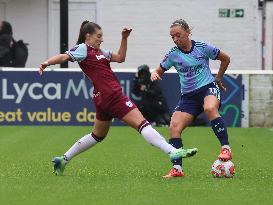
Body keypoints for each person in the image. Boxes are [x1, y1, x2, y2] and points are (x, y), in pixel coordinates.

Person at [38, 20, 198, 176]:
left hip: (102, 99)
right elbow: (64, 57)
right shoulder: (83, 49)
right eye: (99, 36)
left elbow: (121, 57)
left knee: (97, 135)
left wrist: (124, 38)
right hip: (112, 95)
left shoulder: (100, 53)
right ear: (88, 36)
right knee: (142, 124)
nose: (102, 39)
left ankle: (63, 159)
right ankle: (173, 151)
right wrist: (47, 62)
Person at [151, 19, 232, 178]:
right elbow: (159, 70)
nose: (175, 39)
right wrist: (155, 74)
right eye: (172, 37)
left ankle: (226, 148)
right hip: (188, 97)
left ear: (188, 32)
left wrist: (218, 78)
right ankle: (177, 169)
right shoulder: (173, 54)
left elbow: (226, 58)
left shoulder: (203, 47)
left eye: (178, 35)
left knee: (210, 108)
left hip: (208, 88)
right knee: (174, 126)